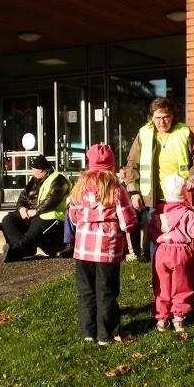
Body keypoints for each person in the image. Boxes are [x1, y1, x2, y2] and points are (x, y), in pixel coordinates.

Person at [68, 144, 136, 345]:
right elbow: (127, 220)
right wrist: (128, 226)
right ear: (111, 164)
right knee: (106, 291)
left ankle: (88, 333)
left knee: (86, 291)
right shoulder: (116, 187)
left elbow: (72, 217)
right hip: (108, 249)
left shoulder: (80, 186)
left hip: (83, 249)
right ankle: (105, 334)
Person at [123, 98, 194, 261]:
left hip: (180, 198)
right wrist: (134, 192)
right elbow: (132, 164)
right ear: (151, 117)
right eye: (157, 117)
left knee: (182, 237)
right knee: (156, 238)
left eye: (166, 117)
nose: (162, 121)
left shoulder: (184, 132)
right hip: (153, 198)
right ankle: (158, 281)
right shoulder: (144, 133)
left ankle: (183, 276)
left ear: (173, 116)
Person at [147, 174, 194, 332]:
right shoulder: (187, 213)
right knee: (182, 284)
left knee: (161, 286)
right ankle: (179, 318)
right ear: (183, 193)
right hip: (181, 251)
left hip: (161, 251)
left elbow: (150, 233)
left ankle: (162, 319)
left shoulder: (157, 213)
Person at [1, 154, 70, 262]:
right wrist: (21, 208)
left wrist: (36, 211)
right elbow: (23, 196)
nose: (32, 171)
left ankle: (16, 252)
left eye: (34, 169)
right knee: (8, 220)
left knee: (32, 234)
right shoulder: (34, 180)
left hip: (51, 215)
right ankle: (25, 250)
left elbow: (52, 199)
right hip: (33, 213)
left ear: (42, 170)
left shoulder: (59, 179)